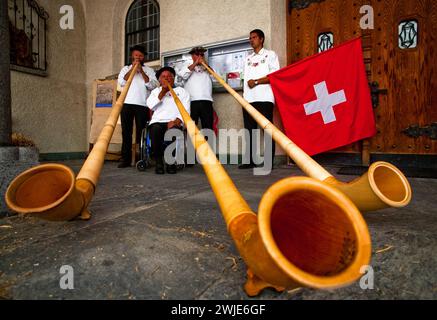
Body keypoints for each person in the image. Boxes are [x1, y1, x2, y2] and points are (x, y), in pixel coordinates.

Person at [241, 29, 280, 169]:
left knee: (267, 130)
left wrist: (256, 82)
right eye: (250, 38)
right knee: (250, 130)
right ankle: (250, 160)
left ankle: (269, 161)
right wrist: (244, 98)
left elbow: (274, 76)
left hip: (265, 98)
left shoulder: (270, 55)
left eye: (254, 37)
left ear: (261, 39)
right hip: (248, 100)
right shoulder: (247, 58)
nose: (251, 40)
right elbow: (245, 80)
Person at [117, 45, 158, 168]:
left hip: (143, 104)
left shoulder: (149, 70)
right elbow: (122, 82)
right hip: (127, 104)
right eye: (136, 55)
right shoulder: (125, 68)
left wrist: (142, 71)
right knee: (126, 132)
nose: (138, 58)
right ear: (132, 56)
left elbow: (153, 86)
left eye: (141, 56)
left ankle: (141, 158)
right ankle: (126, 159)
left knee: (142, 132)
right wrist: (133, 70)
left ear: (144, 57)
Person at [146, 67, 190, 174]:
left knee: (173, 131)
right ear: (159, 80)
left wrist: (176, 121)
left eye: (170, 76)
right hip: (158, 121)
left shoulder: (182, 91)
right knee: (155, 131)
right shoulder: (155, 91)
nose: (167, 78)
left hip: (174, 121)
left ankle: (170, 162)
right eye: (164, 76)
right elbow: (150, 105)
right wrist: (163, 91)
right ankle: (159, 162)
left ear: (174, 78)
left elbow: (186, 110)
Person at [176, 47, 214, 131]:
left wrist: (205, 65)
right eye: (197, 54)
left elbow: (213, 75)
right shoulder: (186, 65)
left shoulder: (206, 66)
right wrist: (195, 63)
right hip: (191, 101)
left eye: (202, 54)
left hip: (206, 100)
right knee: (191, 127)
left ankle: (208, 144)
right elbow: (183, 75)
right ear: (192, 56)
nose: (200, 56)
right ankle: (191, 144)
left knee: (208, 126)